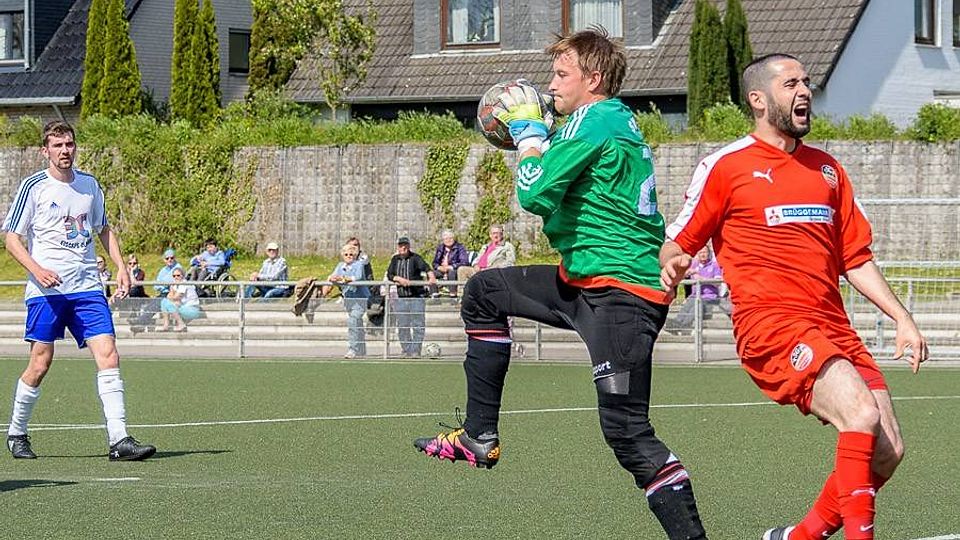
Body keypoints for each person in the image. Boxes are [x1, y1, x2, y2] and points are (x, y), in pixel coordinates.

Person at [413, 29, 707, 539]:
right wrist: (545, 138)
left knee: (627, 433)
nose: (550, 86)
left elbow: (534, 193)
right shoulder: (602, 120)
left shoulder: (595, 120)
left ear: (593, 79)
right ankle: (479, 435)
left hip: (622, 294)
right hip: (585, 282)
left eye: (560, 74)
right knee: (484, 293)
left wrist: (530, 138)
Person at [658, 54, 927, 540]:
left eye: (806, 82)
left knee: (888, 451)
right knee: (860, 414)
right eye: (790, 84)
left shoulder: (828, 169)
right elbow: (679, 239)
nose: (804, 91)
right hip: (772, 326)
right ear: (758, 100)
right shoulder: (725, 166)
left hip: (834, 328)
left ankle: (797, 537)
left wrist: (902, 319)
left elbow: (855, 258)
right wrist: (674, 260)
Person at [1, 120, 156, 461]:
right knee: (40, 363)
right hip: (47, 292)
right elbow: (12, 238)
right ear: (45, 151)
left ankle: (119, 439)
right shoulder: (33, 187)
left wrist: (120, 266)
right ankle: (17, 432)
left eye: (69, 144)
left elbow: (103, 229)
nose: (65, 151)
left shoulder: (89, 185)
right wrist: (38, 270)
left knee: (108, 353)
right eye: (57, 145)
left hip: (87, 287)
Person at [386, 236, 436, 357]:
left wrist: (431, 277)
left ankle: (415, 350)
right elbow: (390, 274)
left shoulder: (415, 258)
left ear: (408, 246)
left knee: (418, 325)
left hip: (416, 297)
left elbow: (426, 267)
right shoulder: (395, 259)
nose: (403, 248)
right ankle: (406, 349)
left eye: (405, 245)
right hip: (401, 298)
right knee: (403, 325)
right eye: (400, 245)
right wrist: (399, 279)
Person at [664, 245, 731, 334]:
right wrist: (686, 273)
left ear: (709, 253)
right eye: (700, 252)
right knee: (687, 306)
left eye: (705, 252)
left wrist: (701, 278)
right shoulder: (694, 264)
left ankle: (682, 326)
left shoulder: (715, 265)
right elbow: (682, 274)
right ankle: (677, 324)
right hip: (694, 295)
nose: (702, 255)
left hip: (709, 297)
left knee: (695, 306)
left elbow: (718, 283)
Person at [322, 243, 370, 358]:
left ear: (355, 255)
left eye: (351, 254)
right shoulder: (340, 266)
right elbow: (333, 276)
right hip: (348, 299)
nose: (349, 256)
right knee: (357, 323)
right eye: (346, 254)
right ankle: (361, 349)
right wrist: (332, 278)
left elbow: (357, 277)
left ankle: (353, 349)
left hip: (360, 298)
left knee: (353, 321)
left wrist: (343, 278)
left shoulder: (359, 264)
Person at [431, 229, 469, 297]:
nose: (448, 240)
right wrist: (439, 267)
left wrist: (451, 267)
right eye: (446, 239)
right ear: (443, 240)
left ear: (454, 238)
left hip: (454, 269)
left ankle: (453, 294)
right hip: (442, 270)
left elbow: (464, 262)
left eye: (450, 238)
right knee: (431, 273)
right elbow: (434, 263)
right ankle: (434, 294)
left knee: (451, 272)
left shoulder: (460, 247)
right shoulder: (440, 248)